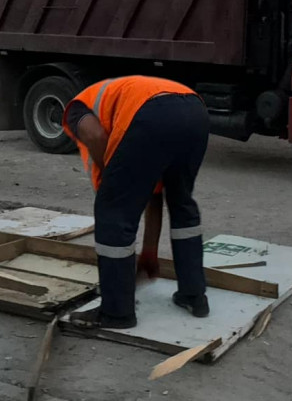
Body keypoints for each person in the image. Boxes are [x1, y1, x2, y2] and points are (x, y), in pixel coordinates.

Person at [62, 76, 210, 329]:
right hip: (195, 111)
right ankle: (194, 296)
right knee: (182, 203)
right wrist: (149, 252)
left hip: (152, 113)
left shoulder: (76, 108)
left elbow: (95, 135)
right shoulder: (121, 98)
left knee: (113, 212)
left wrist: (113, 181)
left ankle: (116, 313)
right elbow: (154, 192)